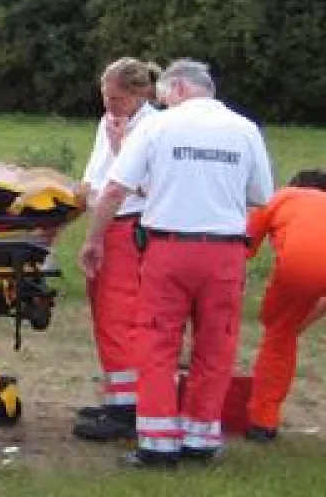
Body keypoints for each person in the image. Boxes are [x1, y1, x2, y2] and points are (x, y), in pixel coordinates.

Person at [80, 59, 274, 467]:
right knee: (215, 345)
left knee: (156, 344)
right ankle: (200, 439)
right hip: (225, 252)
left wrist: (94, 239)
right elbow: (260, 196)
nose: (162, 102)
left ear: (180, 88)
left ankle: (157, 444)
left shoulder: (157, 127)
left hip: (167, 248)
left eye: (165, 96)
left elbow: (115, 190)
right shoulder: (245, 129)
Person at [72, 58, 161, 442]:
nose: (109, 105)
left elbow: (146, 185)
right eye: (105, 96)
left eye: (117, 98)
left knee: (120, 314)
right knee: (104, 312)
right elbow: (97, 173)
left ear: (140, 95)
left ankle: (128, 407)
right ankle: (118, 397)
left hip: (131, 225)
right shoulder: (107, 122)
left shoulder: (154, 127)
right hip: (107, 221)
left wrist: (121, 146)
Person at [243, 169, 326, 442]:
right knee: (282, 329)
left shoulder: (282, 197)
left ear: (295, 185)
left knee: (277, 337)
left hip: (303, 264)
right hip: (311, 265)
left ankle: (262, 422)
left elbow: (242, 245)